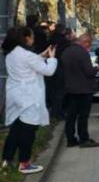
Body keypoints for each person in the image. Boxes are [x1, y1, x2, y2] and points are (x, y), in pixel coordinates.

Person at [2, 27, 57, 174]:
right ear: (25, 38)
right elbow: (48, 71)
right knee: (28, 131)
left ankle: (7, 159)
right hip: (29, 98)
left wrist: (42, 56)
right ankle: (24, 163)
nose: (33, 39)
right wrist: (51, 58)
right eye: (32, 36)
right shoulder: (26, 55)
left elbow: (30, 64)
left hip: (17, 95)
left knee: (16, 129)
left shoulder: (11, 54)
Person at [61, 33, 99, 148]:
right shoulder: (82, 53)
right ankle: (84, 139)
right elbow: (88, 72)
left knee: (71, 115)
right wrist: (96, 69)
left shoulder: (66, 51)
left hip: (70, 89)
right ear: (86, 42)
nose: (89, 47)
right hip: (83, 89)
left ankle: (70, 138)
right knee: (83, 116)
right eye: (89, 44)